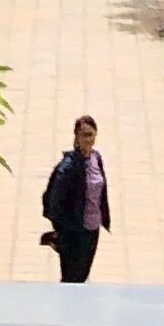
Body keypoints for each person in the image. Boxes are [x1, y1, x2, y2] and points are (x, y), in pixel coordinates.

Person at [40, 112, 110, 283]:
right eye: (84, 135)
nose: (88, 139)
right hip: (75, 231)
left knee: (83, 274)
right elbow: (53, 201)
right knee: (71, 278)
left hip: (92, 228)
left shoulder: (96, 158)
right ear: (77, 137)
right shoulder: (68, 167)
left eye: (91, 135)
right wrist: (63, 229)